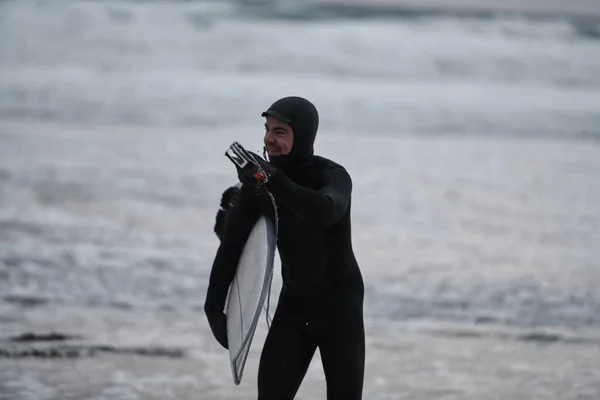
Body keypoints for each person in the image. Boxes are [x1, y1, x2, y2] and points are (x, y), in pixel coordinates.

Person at [204, 96, 365, 399]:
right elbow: (233, 247)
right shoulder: (258, 185)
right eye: (267, 129)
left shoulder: (332, 176)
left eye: (280, 132)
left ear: (302, 135)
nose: (268, 139)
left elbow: (325, 211)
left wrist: (272, 181)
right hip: (295, 305)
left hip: (340, 308)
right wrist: (213, 306)